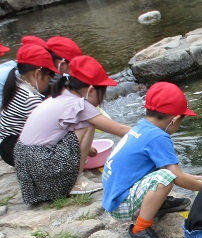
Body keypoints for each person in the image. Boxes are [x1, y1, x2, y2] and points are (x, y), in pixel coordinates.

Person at [102, 82, 202, 238]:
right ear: (174, 118)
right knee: (164, 177)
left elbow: (177, 174)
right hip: (122, 206)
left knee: (164, 174)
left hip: (116, 196)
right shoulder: (158, 136)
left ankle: (156, 204)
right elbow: (175, 177)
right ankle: (139, 230)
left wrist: (201, 179)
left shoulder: (142, 128)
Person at [14, 56, 129, 205]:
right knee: (88, 124)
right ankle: (75, 181)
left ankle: (66, 180)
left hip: (27, 171)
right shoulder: (80, 104)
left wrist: (88, 149)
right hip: (43, 168)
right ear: (92, 90)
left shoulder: (57, 97)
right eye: (103, 93)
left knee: (80, 125)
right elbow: (121, 130)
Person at [0, 44, 57, 166]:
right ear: (37, 74)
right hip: (15, 150)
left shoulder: (15, 84)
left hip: (7, 147)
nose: (48, 84)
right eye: (48, 79)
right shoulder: (30, 99)